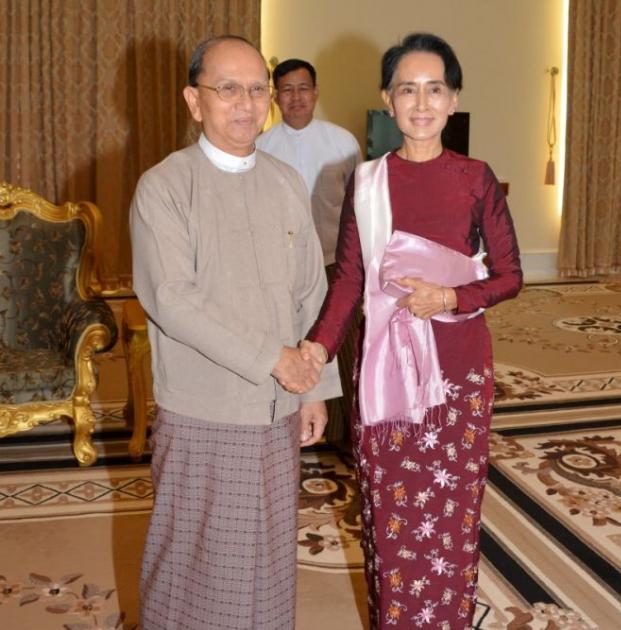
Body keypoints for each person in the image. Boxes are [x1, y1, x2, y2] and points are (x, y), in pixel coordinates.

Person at [301, 33, 523, 629]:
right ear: (387, 100)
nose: (421, 103)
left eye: (435, 89)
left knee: (450, 511)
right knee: (391, 509)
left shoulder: (476, 178)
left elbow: (509, 276)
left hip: (457, 370)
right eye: (407, 90)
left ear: (453, 101)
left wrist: (451, 296)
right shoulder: (366, 182)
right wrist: (316, 349)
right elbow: (349, 279)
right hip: (383, 368)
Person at [130, 35, 341, 630]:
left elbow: (309, 292)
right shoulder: (165, 187)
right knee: (193, 559)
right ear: (195, 102)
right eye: (228, 89)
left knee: (269, 555)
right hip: (205, 409)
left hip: (277, 407)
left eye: (257, 89)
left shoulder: (284, 181)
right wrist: (275, 360)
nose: (246, 104)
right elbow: (174, 300)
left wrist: (315, 385)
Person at [257, 58, 362, 444]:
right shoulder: (261, 145)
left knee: (342, 348)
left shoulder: (342, 142)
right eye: (287, 90)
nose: (296, 97)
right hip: (281, 268)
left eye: (303, 88)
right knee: (291, 346)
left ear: (316, 93)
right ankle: (291, 431)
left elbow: (359, 208)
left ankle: (345, 439)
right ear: (275, 97)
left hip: (335, 263)